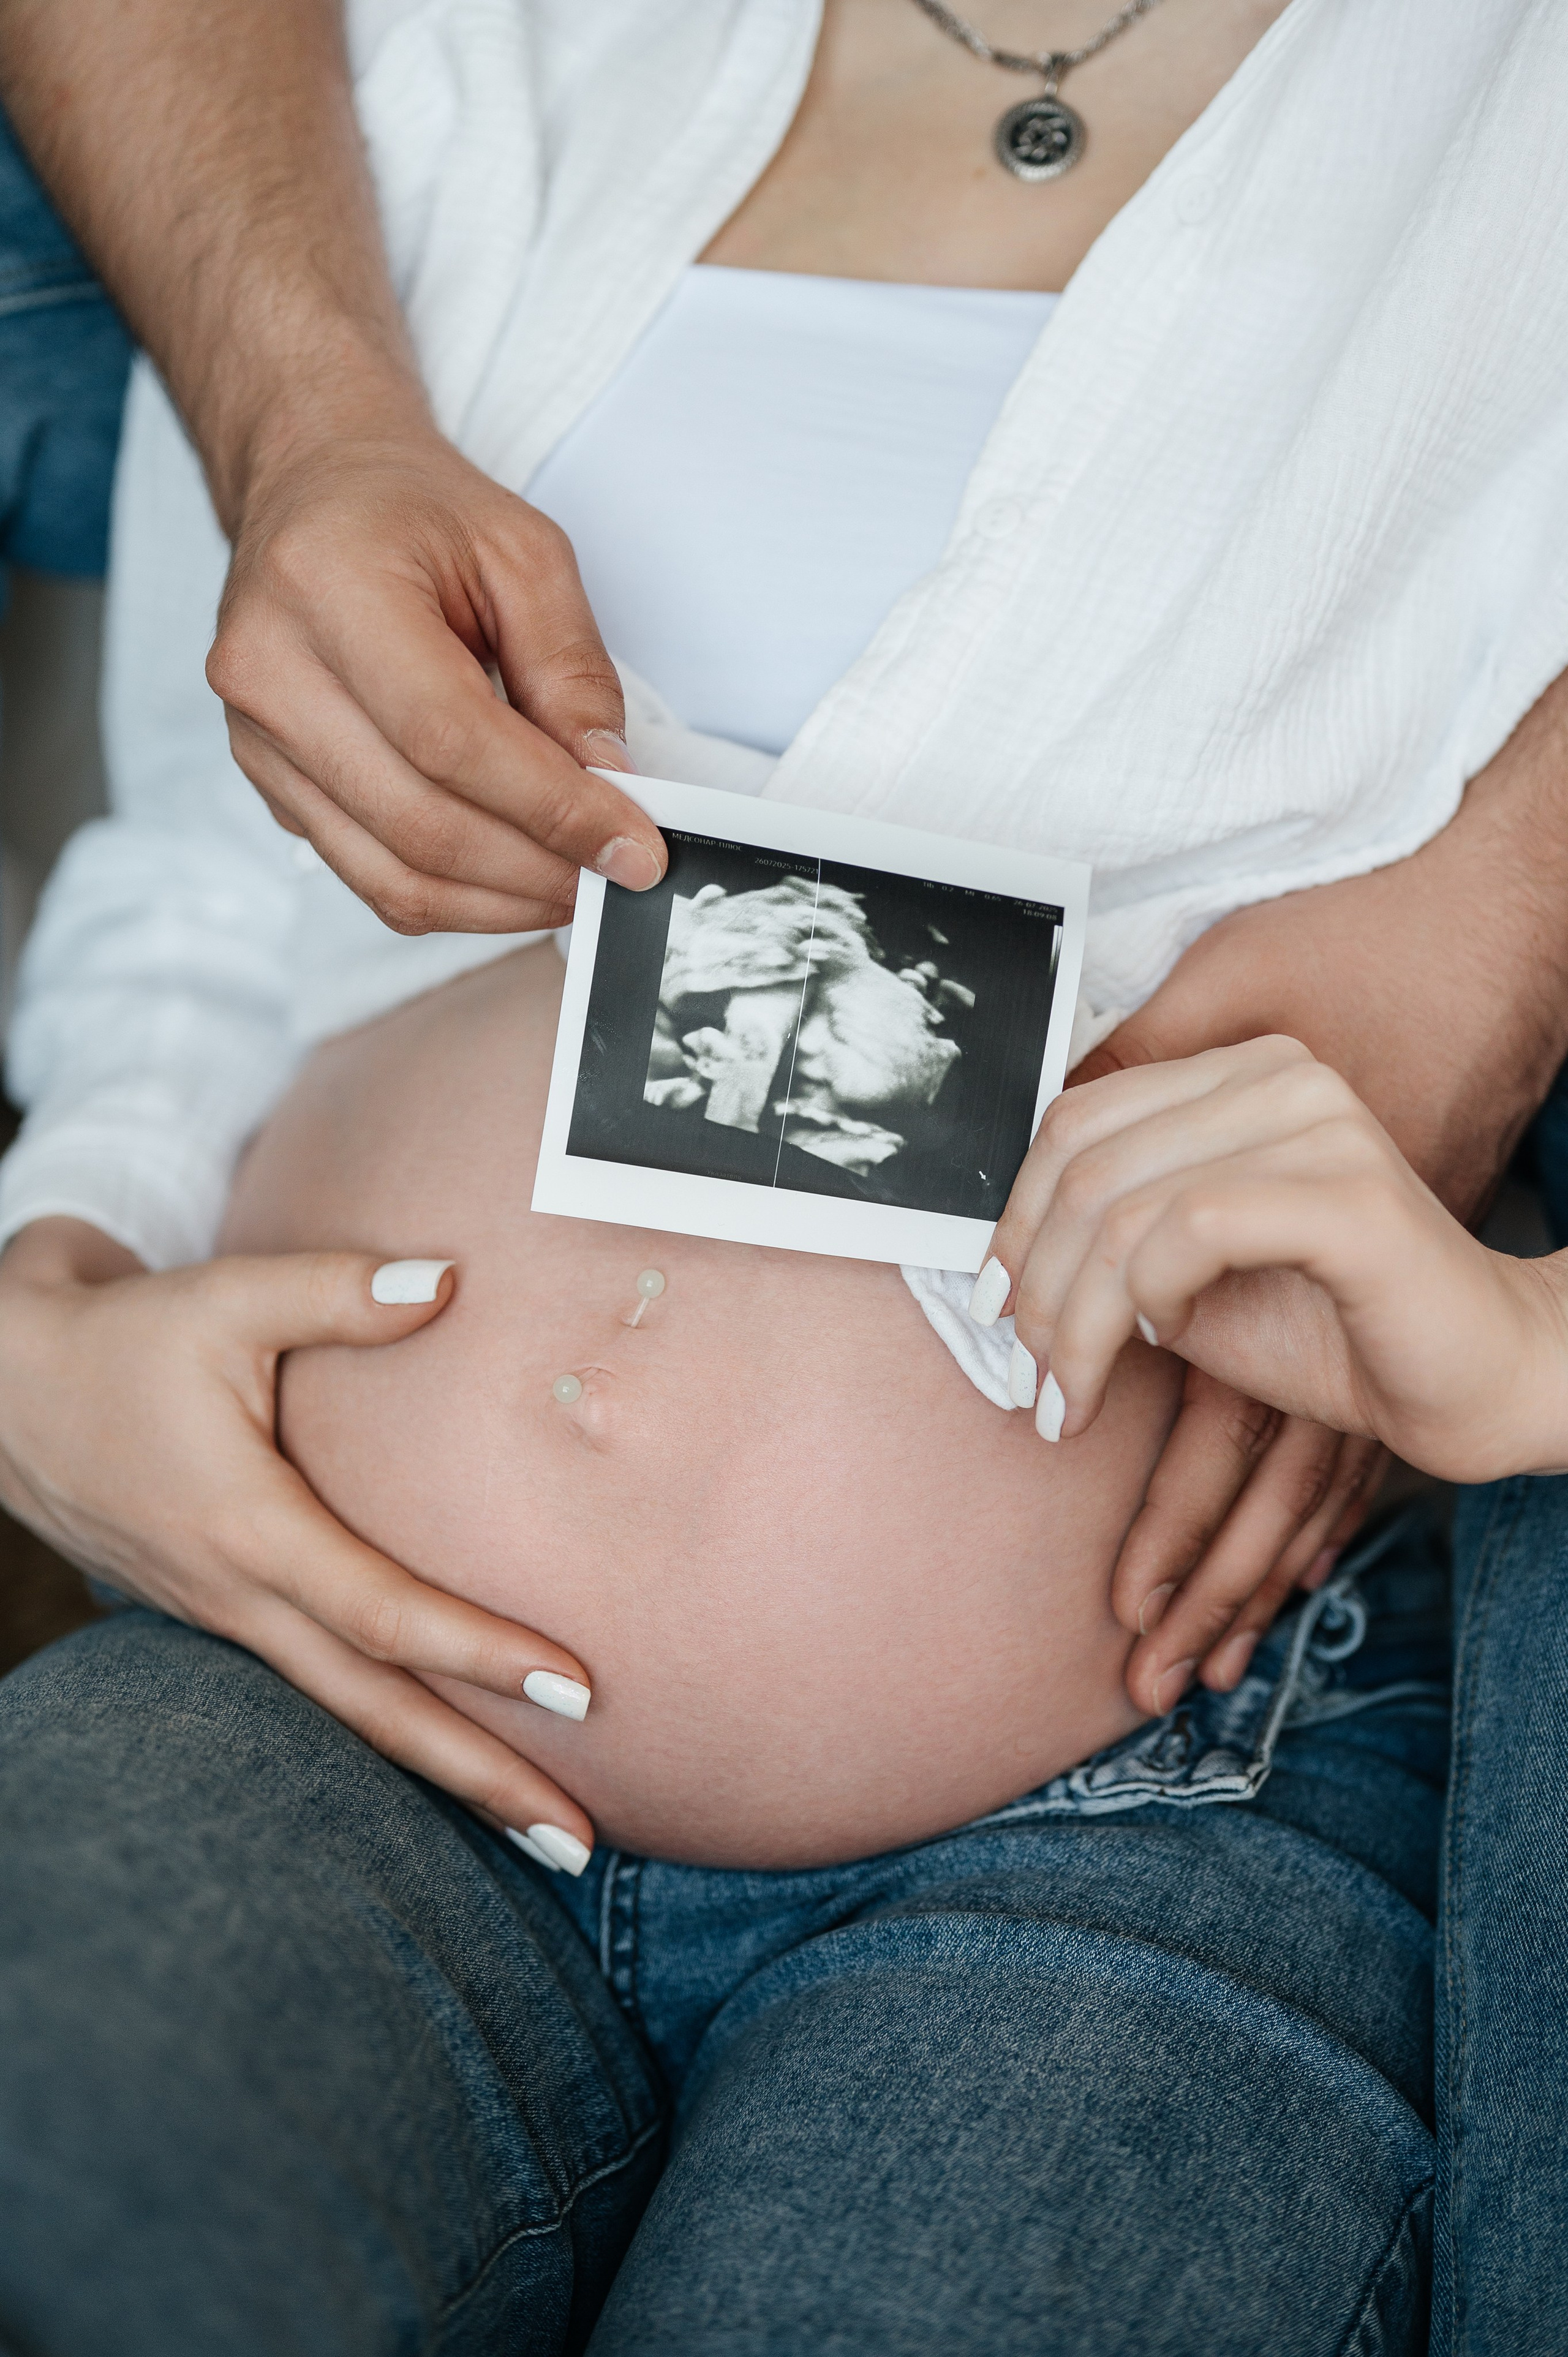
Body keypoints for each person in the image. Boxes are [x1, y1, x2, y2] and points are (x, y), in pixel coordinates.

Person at [2, 1, 1568, 2347]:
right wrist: (52, 1287)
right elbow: (216, 848)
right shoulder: (418, 73)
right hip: (299, 1676)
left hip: (1146, 1797)